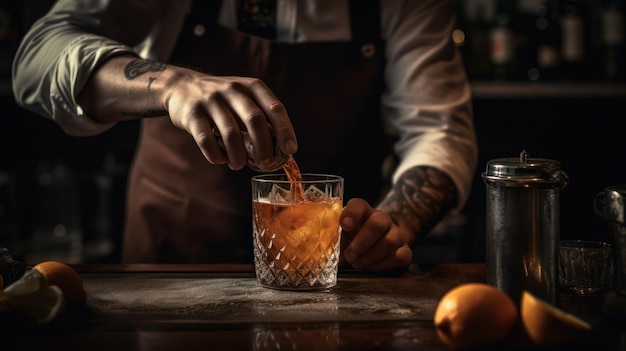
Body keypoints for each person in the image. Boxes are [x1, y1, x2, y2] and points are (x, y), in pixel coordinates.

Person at [12, 0, 478, 272]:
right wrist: (171, 85)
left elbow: (438, 131)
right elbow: (37, 59)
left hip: (330, 274)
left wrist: (393, 224)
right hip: (170, 267)